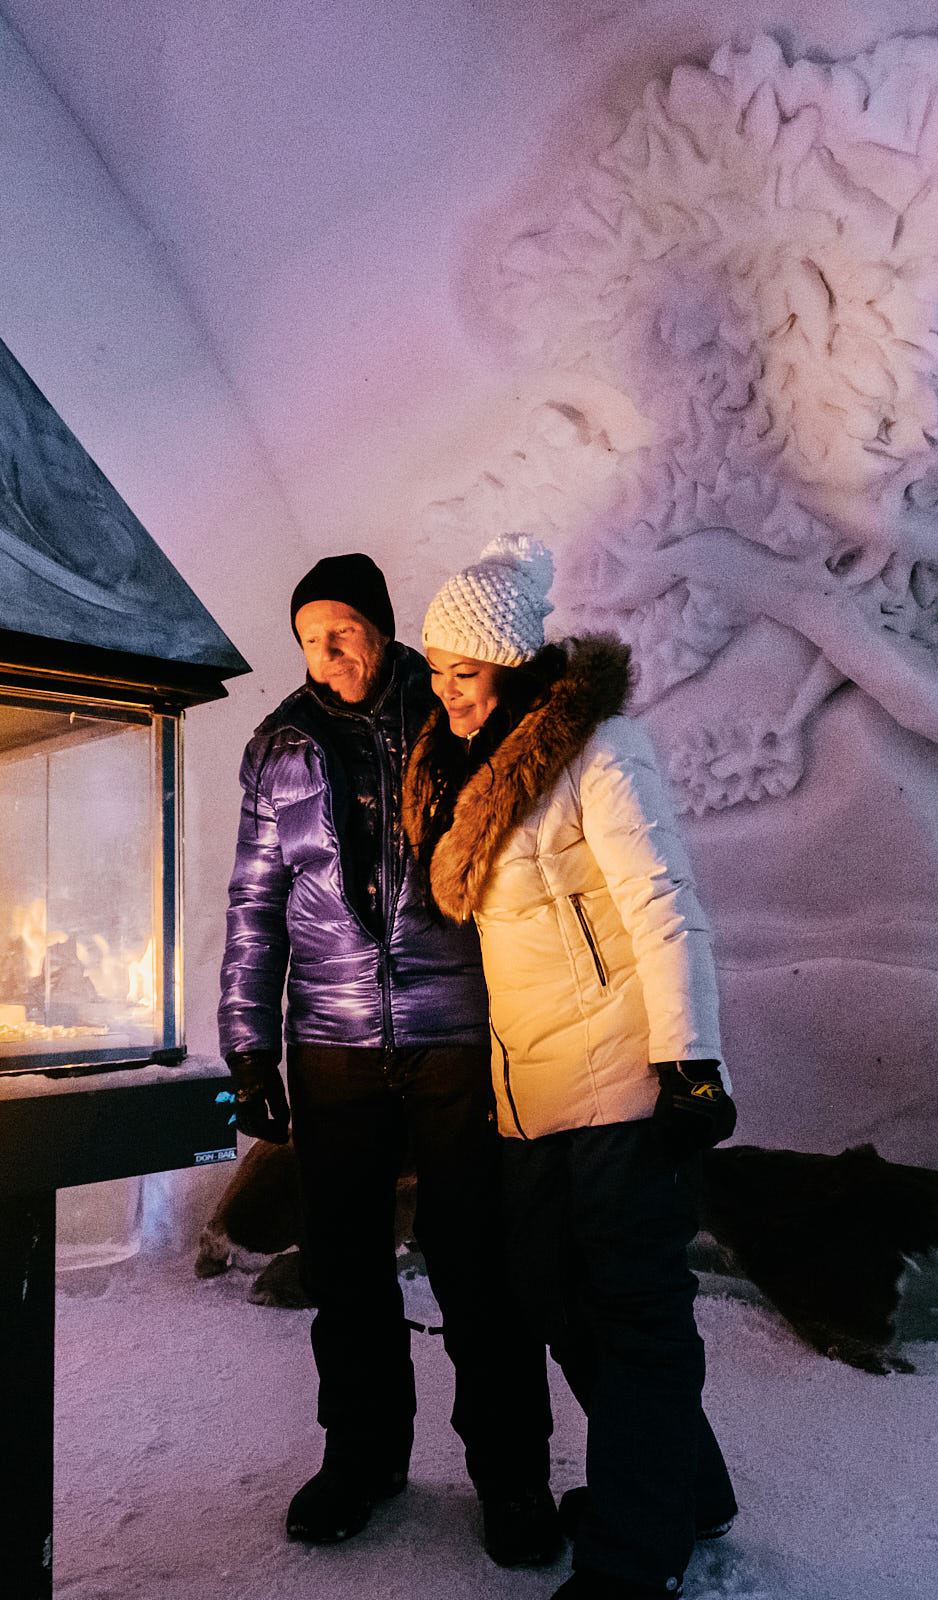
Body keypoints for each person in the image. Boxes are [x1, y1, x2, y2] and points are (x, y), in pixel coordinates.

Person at [400, 536, 740, 1600]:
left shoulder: (602, 749)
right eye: (437, 669)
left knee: (633, 1311)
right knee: (559, 1300)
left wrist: (689, 1062)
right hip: (528, 1092)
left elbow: (664, 905)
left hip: (623, 1077)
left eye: (463, 670)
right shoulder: (472, 774)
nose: (445, 690)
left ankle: (630, 1566)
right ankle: (687, 1492)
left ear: (510, 664)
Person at [218, 552, 560, 1564]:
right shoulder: (278, 745)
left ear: (380, 625)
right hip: (330, 1042)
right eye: (308, 642)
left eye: (342, 634)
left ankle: (513, 1478)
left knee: (477, 1262)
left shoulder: (453, 710)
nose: (327, 658)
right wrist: (248, 1046)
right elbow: (255, 906)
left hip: (455, 1029)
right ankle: (362, 1455)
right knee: (347, 1265)